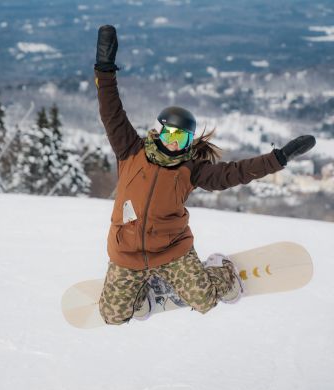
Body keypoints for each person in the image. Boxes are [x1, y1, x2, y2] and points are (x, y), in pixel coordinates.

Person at [94, 25, 316, 325]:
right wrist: (104, 69)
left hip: (171, 252)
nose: (174, 143)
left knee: (206, 300)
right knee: (112, 315)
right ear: (158, 132)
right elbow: (111, 111)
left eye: (182, 138)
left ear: (189, 142)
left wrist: (278, 159)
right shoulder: (130, 150)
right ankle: (146, 289)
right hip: (127, 254)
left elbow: (234, 173)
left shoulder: (191, 170)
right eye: (170, 134)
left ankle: (220, 269)